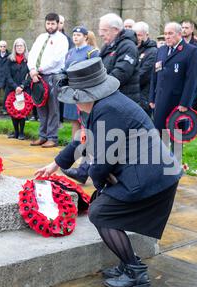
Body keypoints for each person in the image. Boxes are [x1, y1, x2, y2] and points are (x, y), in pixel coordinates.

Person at [35, 58, 181, 287]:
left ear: (86, 94)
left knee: (101, 213)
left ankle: (136, 274)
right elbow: (84, 137)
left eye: (76, 96)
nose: (75, 102)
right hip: (148, 172)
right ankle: (127, 265)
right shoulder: (104, 103)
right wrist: (54, 165)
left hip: (150, 177)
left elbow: (103, 162)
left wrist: (99, 184)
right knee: (102, 208)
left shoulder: (108, 109)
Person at [61, 13, 140, 183]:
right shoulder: (108, 46)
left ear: (116, 30)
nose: (100, 34)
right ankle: (84, 170)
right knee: (93, 135)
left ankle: (91, 171)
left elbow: (121, 73)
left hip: (118, 99)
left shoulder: (128, 47)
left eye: (104, 30)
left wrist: (99, 89)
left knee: (104, 139)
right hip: (103, 98)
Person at [149, 22, 197, 134]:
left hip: (177, 102)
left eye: (170, 33)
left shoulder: (191, 51)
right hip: (160, 100)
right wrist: (152, 97)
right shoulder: (161, 50)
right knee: (160, 134)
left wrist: (185, 103)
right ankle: (162, 152)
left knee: (176, 137)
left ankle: (174, 152)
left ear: (179, 34)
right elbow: (155, 75)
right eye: (165, 33)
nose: (167, 36)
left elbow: (191, 80)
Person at [28, 12, 69, 148]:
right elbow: (33, 54)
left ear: (58, 24)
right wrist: (32, 69)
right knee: (41, 106)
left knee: (53, 107)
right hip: (37, 76)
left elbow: (56, 59)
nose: (50, 26)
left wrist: (38, 69)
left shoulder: (62, 39)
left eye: (53, 23)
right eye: (48, 23)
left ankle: (52, 137)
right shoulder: (41, 37)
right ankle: (42, 136)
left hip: (53, 76)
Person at [63, 26, 99, 139]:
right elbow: (65, 69)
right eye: (74, 35)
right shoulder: (69, 52)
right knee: (74, 120)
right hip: (71, 89)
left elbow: (95, 71)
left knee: (85, 120)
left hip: (85, 90)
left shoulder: (92, 52)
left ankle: (86, 147)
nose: (75, 37)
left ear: (85, 37)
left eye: (78, 35)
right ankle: (74, 147)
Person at [5, 38, 31, 140]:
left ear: (24, 47)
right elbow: (7, 75)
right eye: (17, 46)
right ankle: (15, 131)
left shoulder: (29, 60)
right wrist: (15, 87)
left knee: (22, 110)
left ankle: (21, 132)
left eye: (21, 45)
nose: (19, 47)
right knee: (13, 110)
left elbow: (29, 76)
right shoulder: (9, 59)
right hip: (12, 88)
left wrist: (22, 86)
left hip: (24, 89)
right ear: (14, 48)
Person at [133, 21, 157, 117]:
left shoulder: (153, 52)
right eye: (135, 35)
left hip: (144, 97)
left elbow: (143, 75)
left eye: (139, 35)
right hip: (133, 94)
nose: (137, 38)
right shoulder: (133, 49)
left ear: (146, 34)